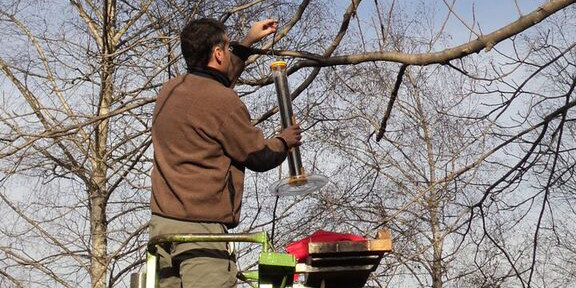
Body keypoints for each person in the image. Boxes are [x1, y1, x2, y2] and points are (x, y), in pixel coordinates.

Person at [149, 18, 301, 288]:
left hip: (163, 227)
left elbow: (215, 81)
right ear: (218, 53)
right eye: (227, 48)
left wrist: (247, 42)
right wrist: (284, 140)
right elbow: (259, 156)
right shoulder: (222, 101)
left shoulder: (169, 91)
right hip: (200, 232)